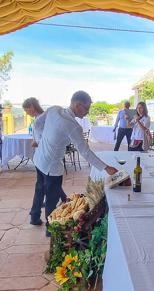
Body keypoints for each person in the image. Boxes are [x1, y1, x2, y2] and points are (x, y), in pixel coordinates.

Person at [32, 91, 118, 235]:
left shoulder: (54, 109)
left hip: (39, 158)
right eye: (87, 108)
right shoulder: (73, 126)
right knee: (52, 199)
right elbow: (85, 152)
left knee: (40, 188)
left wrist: (41, 140)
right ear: (78, 105)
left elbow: (37, 124)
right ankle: (50, 230)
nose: (88, 111)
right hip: (52, 166)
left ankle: (34, 217)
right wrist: (106, 168)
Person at [23, 97, 67, 225]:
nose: (27, 113)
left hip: (44, 159)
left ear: (32, 106)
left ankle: (35, 216)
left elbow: (48, 139)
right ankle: (48, 223)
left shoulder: (43, 119)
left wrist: (38, 142)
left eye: (27, 110)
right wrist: (36, 141)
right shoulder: (40, 119)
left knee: (43, 188)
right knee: (48, 189)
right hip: (43, 160)